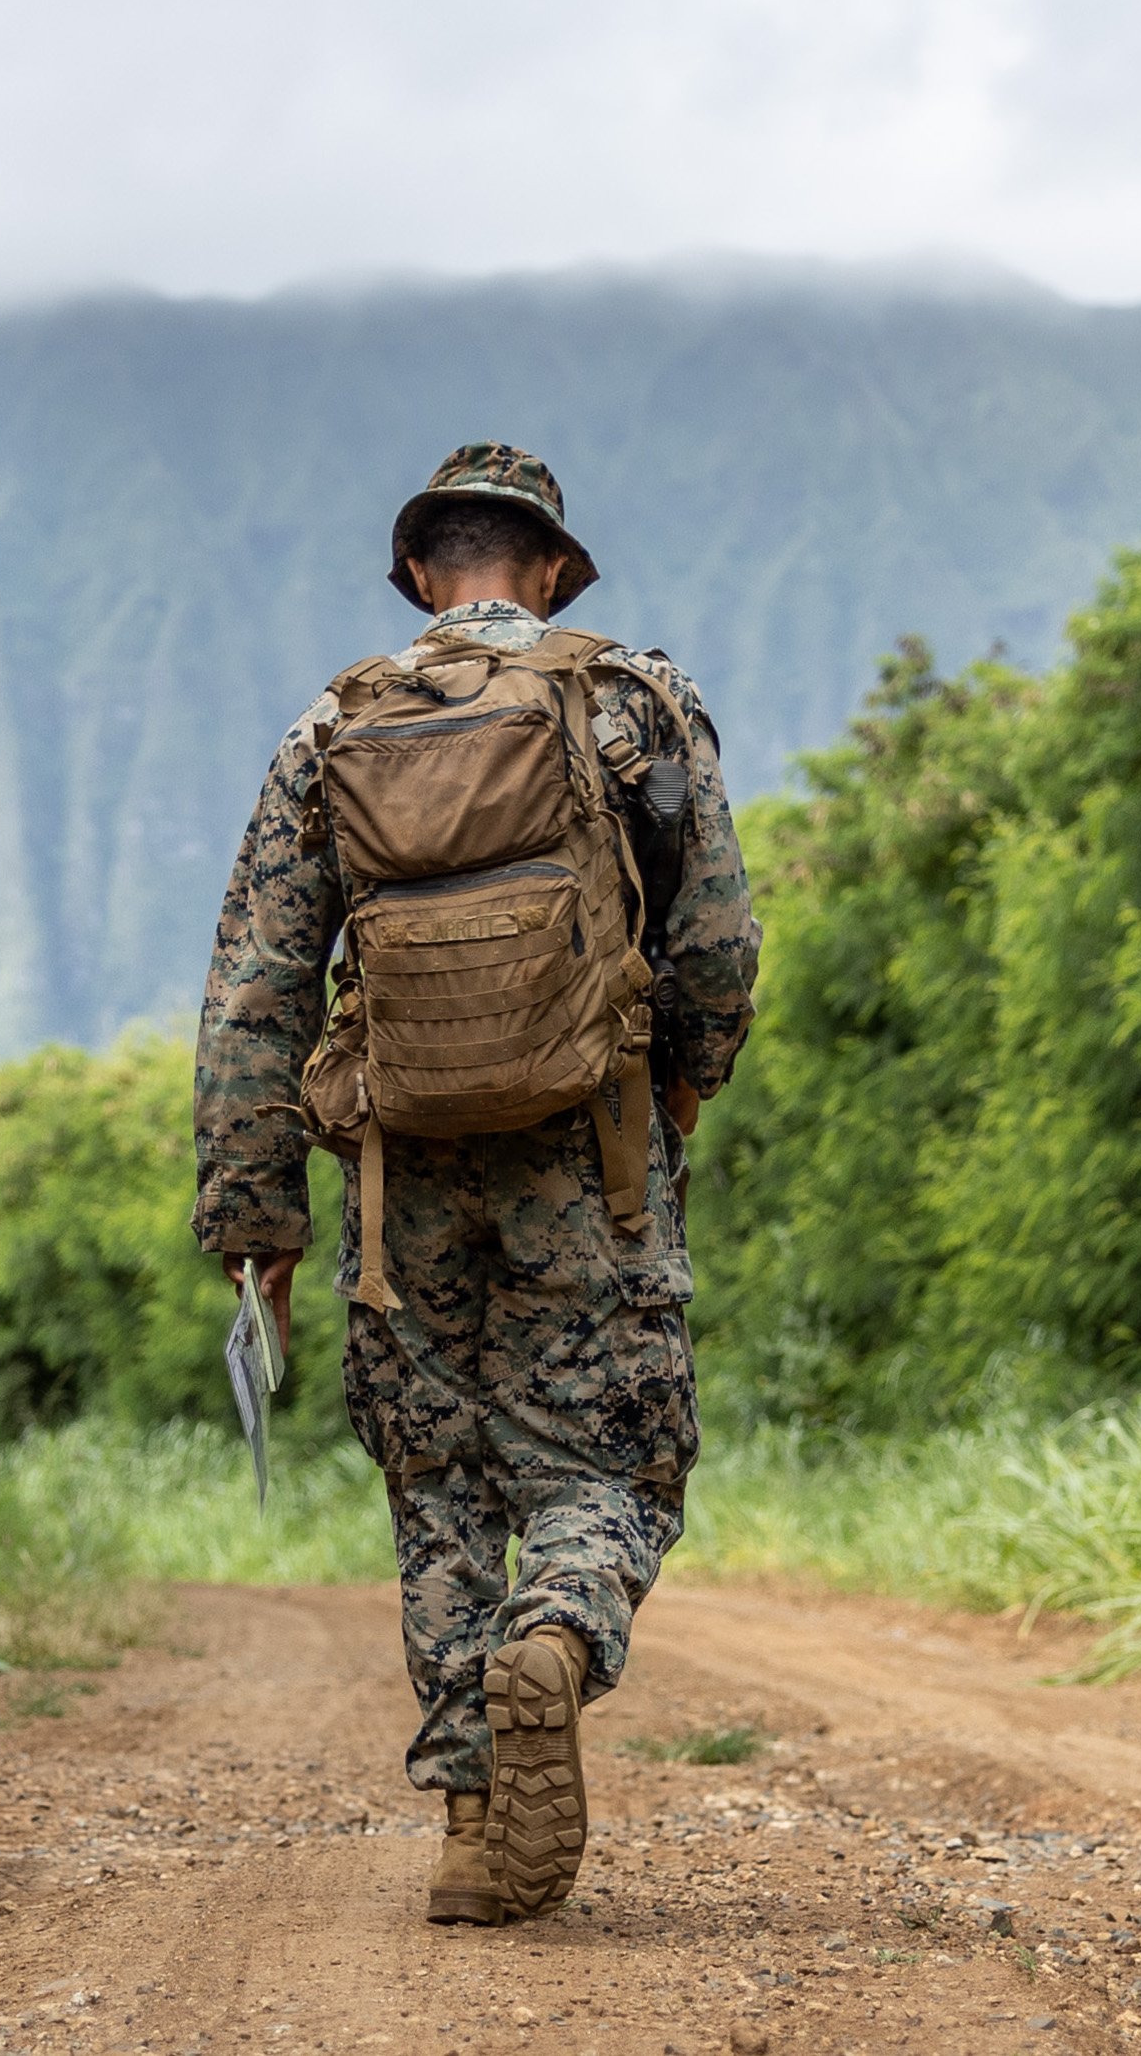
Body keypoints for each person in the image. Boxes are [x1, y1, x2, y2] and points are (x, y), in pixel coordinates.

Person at [190, 441, 759, 1927]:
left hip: (401, 1181)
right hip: (592, 1156)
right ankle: (560, 1630)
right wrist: (679, 1084)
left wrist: (258, 1224)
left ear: (418, 578)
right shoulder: (632, 704)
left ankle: (465, 1821)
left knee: (438, 1475)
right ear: (553, 567)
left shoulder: (332, 727)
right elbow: (716, 944)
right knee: (613, 1455)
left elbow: (252, 988)